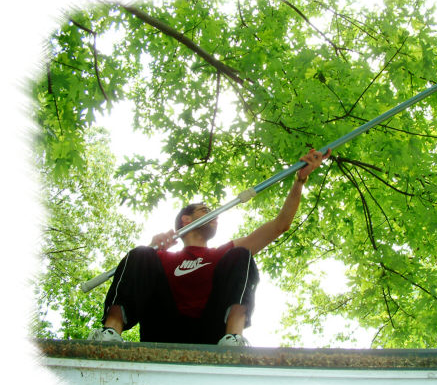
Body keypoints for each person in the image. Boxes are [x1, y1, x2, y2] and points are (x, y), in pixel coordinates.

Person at [88, 148, 331, 347]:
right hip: (164, 327)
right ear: (186, 219)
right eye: (205, 210)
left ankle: (234, 338)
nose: (214, 214)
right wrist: (152, 250)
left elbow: (280, 225)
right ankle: (110, 335)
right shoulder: (159, 257)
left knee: (241, 254)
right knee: (140, 253)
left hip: (211, 330)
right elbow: (139, 270)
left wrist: (300, 180)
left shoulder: (223, 254)